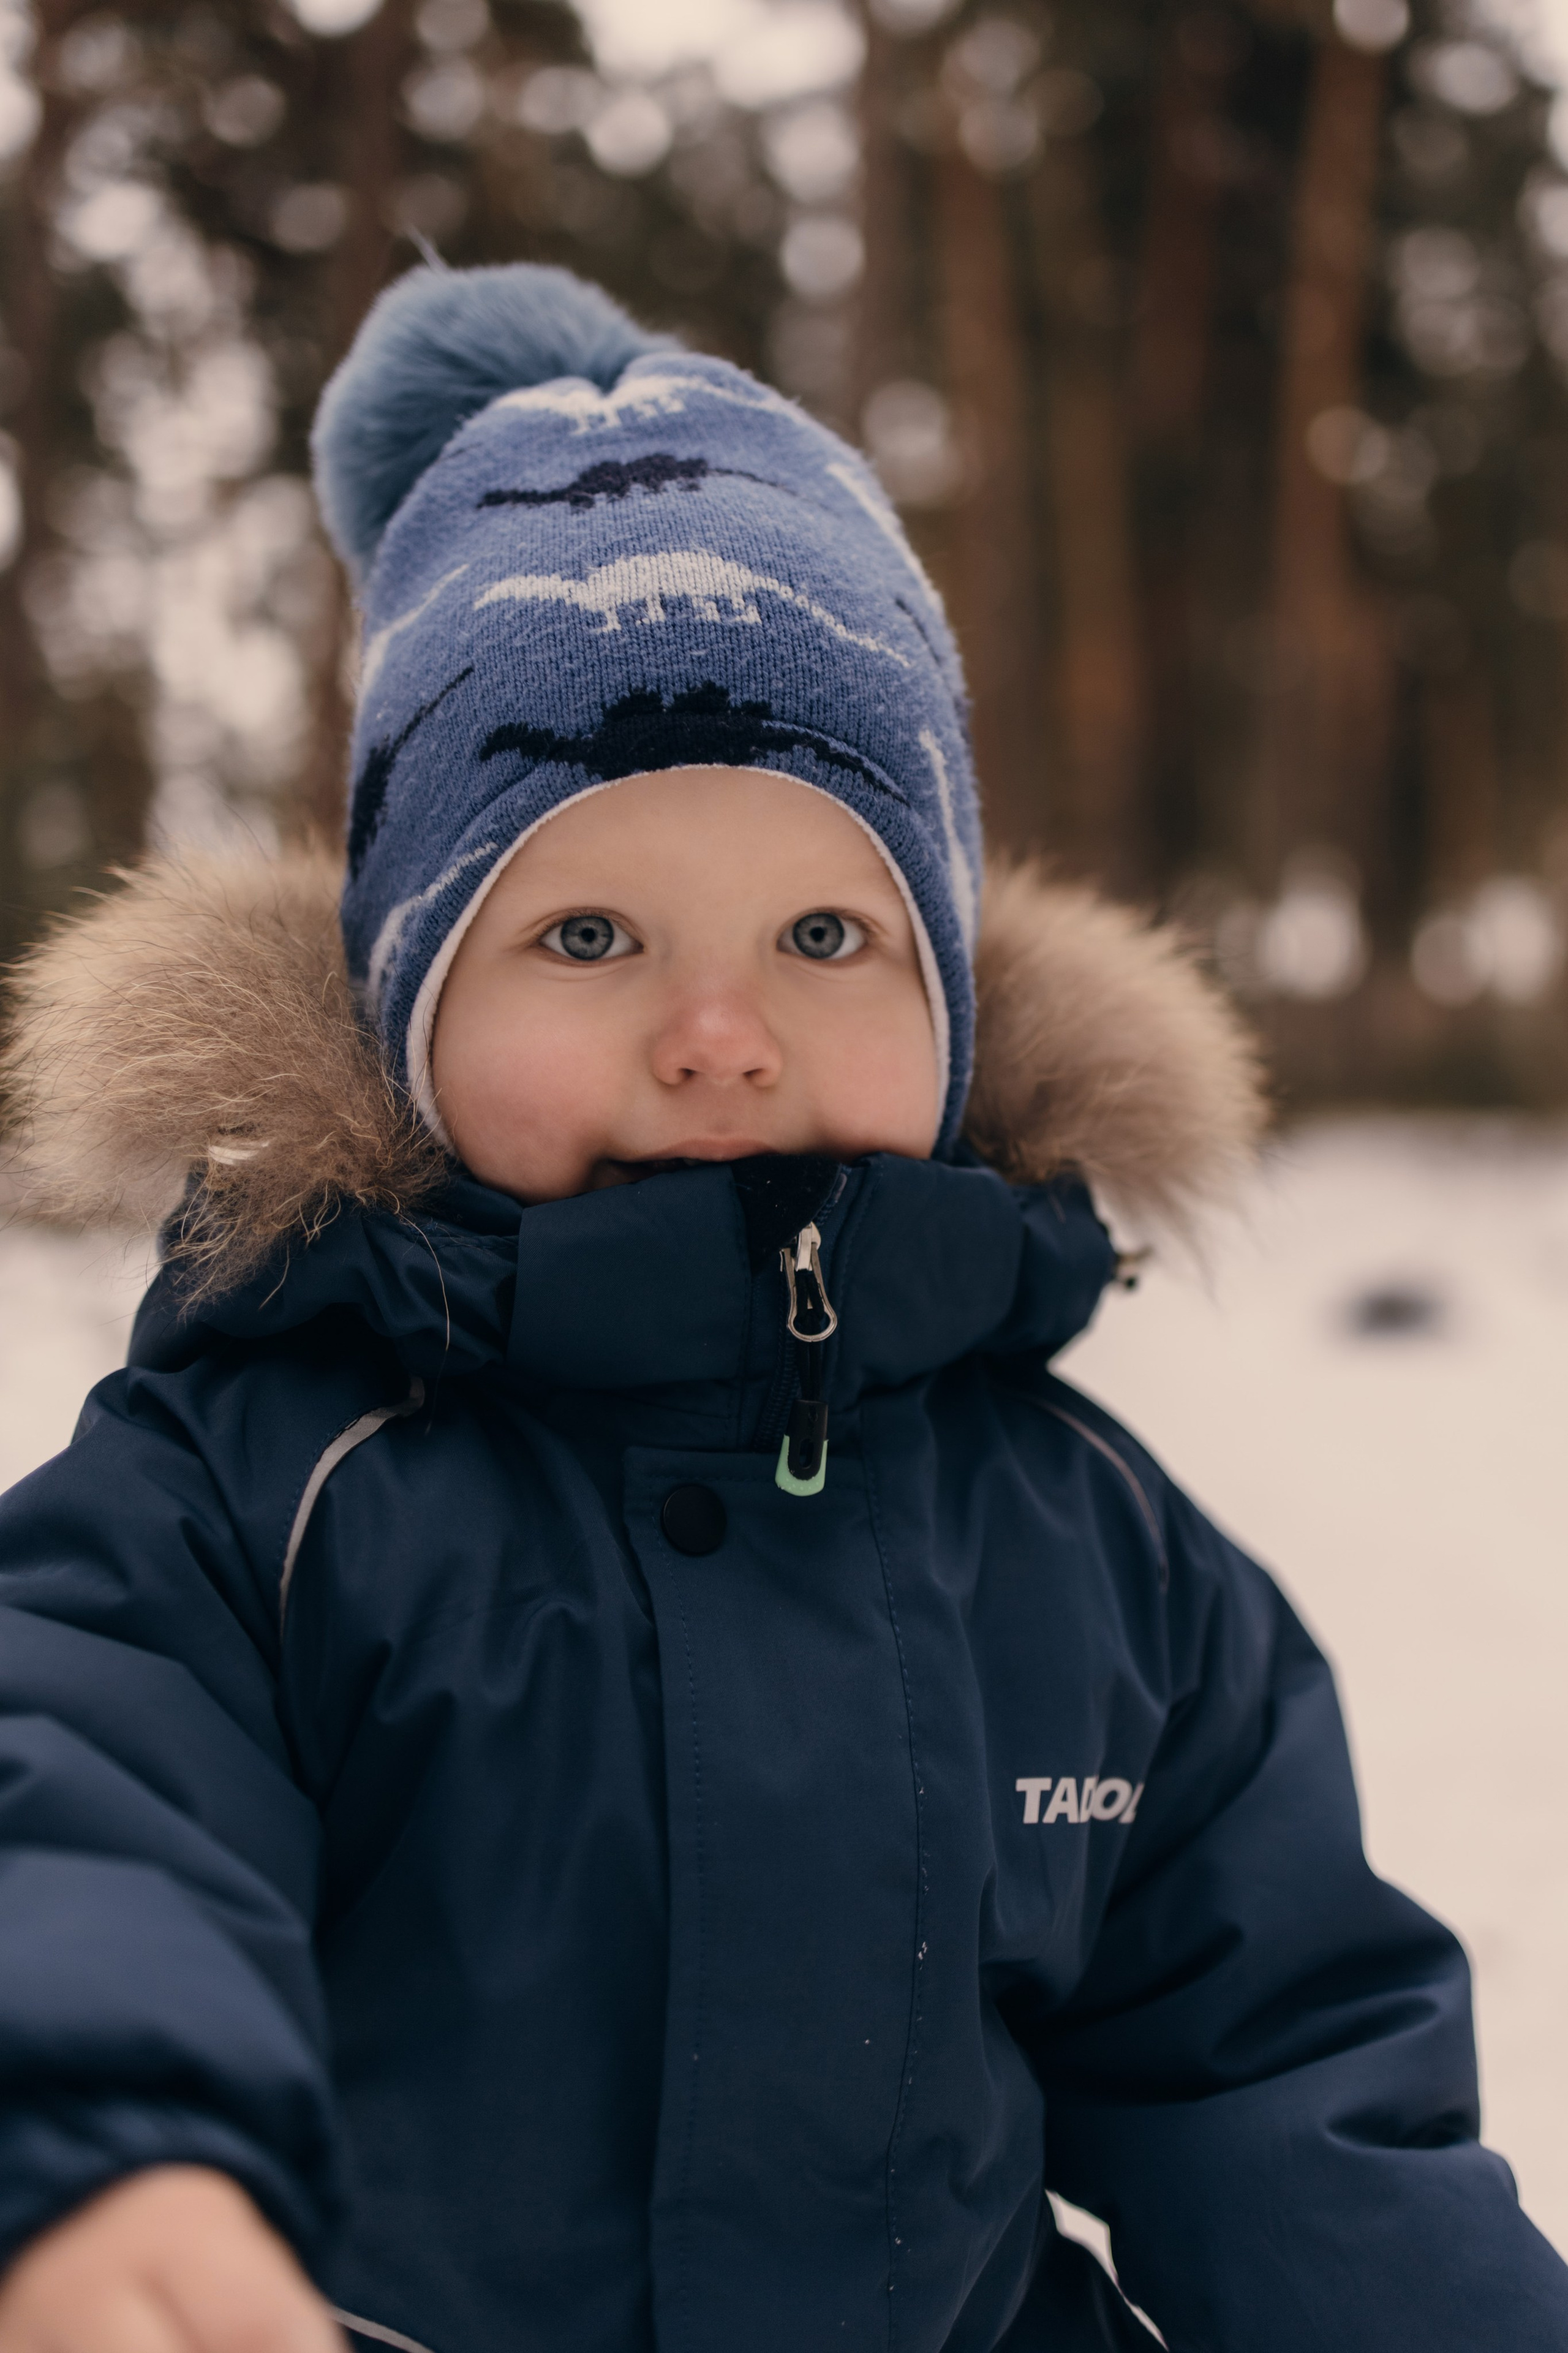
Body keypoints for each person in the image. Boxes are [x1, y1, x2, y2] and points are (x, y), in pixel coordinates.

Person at [0, 263, 1562, 2353]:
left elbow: (1289, 2077)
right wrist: (102, 2155)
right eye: (590, 934)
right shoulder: (260, 1491)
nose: (720, 1033)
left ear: (953, 999)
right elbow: (77, 1811)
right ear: (406, 1001)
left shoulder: (1096, 1545)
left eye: (826, 933)